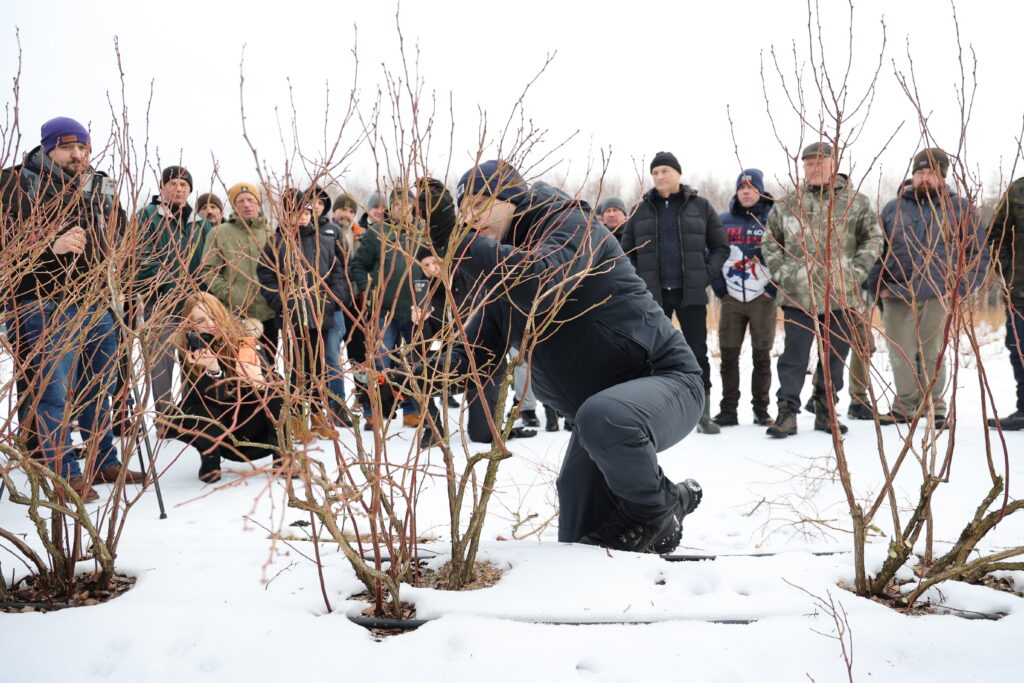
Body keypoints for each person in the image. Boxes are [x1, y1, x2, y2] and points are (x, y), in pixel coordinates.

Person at [415, 162, 703, 553]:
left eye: (481, 203)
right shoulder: (498, 279)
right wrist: (408, 378)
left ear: (512, 199)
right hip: (597, 419)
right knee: (578, 536)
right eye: (463, 208)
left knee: (605, 417)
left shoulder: (568, 225)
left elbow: (542, 278)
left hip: (668, 384)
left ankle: (662, 507)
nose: (470, 216)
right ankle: (641, 543)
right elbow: (474, 356)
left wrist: (456, 240)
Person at [1, 116, 143, 501]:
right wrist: (49, 246)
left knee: (100, 387)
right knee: (53, 393)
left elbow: (123, 235)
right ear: (48, 148)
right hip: (42, 302)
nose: (77, 155)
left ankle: (103, 461)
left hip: (95, 301)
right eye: (68, 147)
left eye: (83, 147)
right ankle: (65, 473)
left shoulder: (98, 185)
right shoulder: (15, 184)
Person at [761, 141, 883, 438]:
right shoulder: (787, 204)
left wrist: (853, 273)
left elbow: (874, 239)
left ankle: (826, 410)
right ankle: (787, 412)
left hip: (840, 295)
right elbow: (770, 242)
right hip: (797, 294)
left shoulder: (856, 202)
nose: (813, 168)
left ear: (833, 164)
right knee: (794, 356)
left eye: (820, 162)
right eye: (808, 164)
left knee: (835, 356)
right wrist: (785, 272)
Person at [866, 148, 986, 429]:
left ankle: (936, 408)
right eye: (920, 173)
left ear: (941, 177)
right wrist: (877, 287)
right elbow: (875, 250)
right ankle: (905, 407)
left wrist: (959, 290)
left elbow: (976, 253)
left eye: (930, 173)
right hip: (896, 294)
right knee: (901, 354)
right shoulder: (893, 208)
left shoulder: (960, 208)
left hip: (938, 294)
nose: (924, 178)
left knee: (934, 353)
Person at [620, 151, 729, 435]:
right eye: (655, 172)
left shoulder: (701, 207)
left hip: (690, 295)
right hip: (652, 297)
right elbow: (625, 252)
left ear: (678, 174)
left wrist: (704, 275)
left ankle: (702, 415)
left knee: (697, 353)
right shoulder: (639, 209)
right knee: (650, 354)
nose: (659, 176)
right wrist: (639, 282)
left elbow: (721, 247)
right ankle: (650, 414)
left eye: (665, 171)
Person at [258, 188, 349, 441]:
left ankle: (319, 417)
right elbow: (266, 278)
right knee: (297, 370)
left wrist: (330, 302)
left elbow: (339, 276)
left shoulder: (325, 242)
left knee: (319, 369)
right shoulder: (276, 243)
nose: (303, 216)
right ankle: (297, 420)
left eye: (306, 211)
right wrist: (283, 303)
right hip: (292, 318)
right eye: (296, 212)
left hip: (321, 316)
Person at [166, 293, 286, 482]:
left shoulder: (243, 338)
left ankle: (283, 455)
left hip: (253, 426)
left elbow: (258, 390)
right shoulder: (190, 349)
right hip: (220, 430)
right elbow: (206, 400)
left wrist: (256, 380)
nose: (210, 324)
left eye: (213, 316)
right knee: (197, 408)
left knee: (275, 387)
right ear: (190, 326)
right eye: (200, 320)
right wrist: (213, 370)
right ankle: (210, 460)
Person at [135, 165, 211, 421]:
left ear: (190, 190)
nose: (179, 189)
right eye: (173, 184)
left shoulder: (201, 223)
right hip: (161, 302)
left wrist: (205, 293)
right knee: (161, 361)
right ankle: (165, 416)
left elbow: (213, 260)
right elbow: (139, 259)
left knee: (196, 359)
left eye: (184, 185)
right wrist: (168, 282)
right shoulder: (147, 216)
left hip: (197, 305)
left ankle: (193, 413)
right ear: (162, 188)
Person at [349, 187, 423, 429]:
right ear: (391, 208)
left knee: (414, 362)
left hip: (415, 310)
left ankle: (413, 410)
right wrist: (369, 288)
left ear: (414, 206)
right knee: (380, 363)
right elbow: (358, 265)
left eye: (406, 204)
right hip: (384, 311)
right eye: (397, 205)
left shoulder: (423, 232)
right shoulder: (377, 233)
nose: (402, 209)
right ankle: (377, 412)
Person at [710, 169, 776, 427]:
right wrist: (719, 287)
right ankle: (728, 409)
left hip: (763, 297)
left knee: (762, 354)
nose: (746, 191)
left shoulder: (774, 219)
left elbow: (789, 252)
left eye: (751, 187)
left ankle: (761, 408)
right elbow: (711, 252)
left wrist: (774, 288)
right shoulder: (723, 221)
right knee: (728, 354)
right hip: (732, 296)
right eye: (742, 187)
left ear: (760, 190)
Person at [201, 182, 278, 357]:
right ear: (234, 206)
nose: (246, 204)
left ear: (259, 203)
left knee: (269, 367)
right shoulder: (219, 233)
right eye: (240, 201)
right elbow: (208, 270)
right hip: (237, 313)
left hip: (269, 313)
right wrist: (229, 293)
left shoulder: (271, 232)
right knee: (245, 367)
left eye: (251, 199)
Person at [309, 186, 353, 427]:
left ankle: (337, 407)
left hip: (332, 307)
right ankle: (311, 411)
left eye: (319, 202)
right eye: (310, 202)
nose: (315, 206)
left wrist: (338, 298)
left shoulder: (332, 230)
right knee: (308, 361)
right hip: (304, 306)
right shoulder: (288, 232)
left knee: (332, 358)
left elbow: (343, 267)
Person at [989, 176, 1024, 431]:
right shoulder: (1017, 190)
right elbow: (995, 236)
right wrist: (1007, 273)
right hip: (1020, 290)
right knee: (1020, 350)